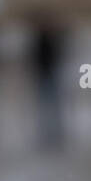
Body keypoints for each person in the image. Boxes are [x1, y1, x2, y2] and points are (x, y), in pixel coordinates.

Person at [30, 13, 65, 149]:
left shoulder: (51, 37)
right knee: (46, 107)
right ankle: (48, 134)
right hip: (43, 76)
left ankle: (55, 134)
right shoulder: (40, 38)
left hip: (50, 75)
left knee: (52, 107)